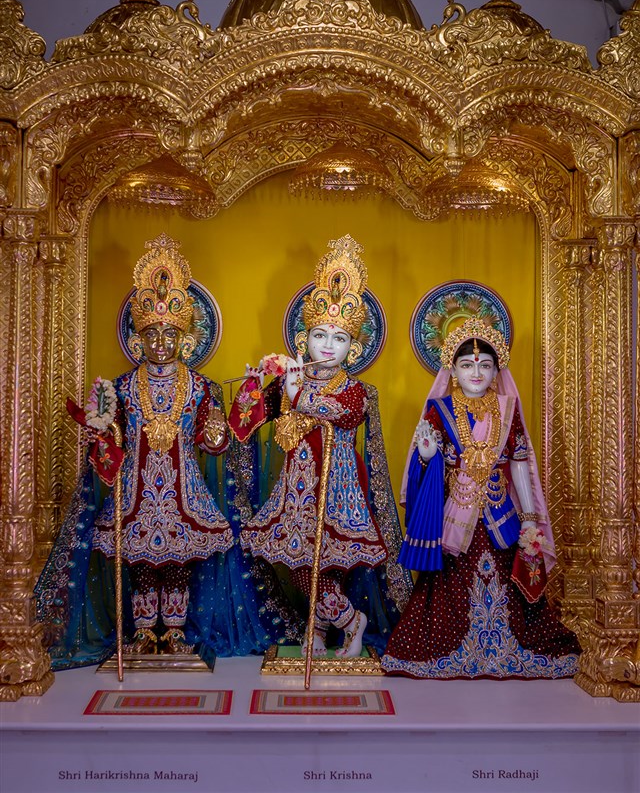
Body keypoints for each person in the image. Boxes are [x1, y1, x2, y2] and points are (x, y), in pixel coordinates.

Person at [35, 234, 295, 667]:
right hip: (136, 494)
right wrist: (103, 434)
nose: (160, 343)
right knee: (139, 565)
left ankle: (173, 633)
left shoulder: (201, 388)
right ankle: (141, 634)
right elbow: (109, 452)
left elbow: (215, 446)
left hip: (183, 493)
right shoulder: (120, 388)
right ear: (137, 339)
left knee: (177, 565)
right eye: (151, 334)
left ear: (185, 340)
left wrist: (215, 432)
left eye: (169, 334)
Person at [229, 235, 412, 658]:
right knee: (300, 564)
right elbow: (245, 422)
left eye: (339, 338)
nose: (328, 345)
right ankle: (324, 625)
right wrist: (253, 386)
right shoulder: (288, 381)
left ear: (354, 348)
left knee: (327, 563)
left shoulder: (355, 390)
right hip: (296, 491)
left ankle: (345, 622)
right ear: (303, 340)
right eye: (319, 335)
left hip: (337, 489)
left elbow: (335, 412)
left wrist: (294, 390)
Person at [381, 317, 581, 678]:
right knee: (449, 581)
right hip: (456, 513)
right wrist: (426, 455)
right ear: (454, 371)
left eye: (485, 366)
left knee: (509, 579)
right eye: (467, 365)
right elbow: (427, 460)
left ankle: (505, 648)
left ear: (496, 371)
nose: (476, 373)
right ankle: (454, 647)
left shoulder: (508, 408)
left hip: (501, 511)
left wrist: (531, 517)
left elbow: (518, 461)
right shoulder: (439, 408)